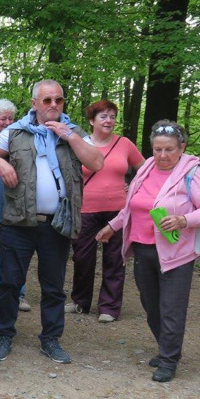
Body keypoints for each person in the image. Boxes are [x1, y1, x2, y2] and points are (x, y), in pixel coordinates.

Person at [0, 80, 103, 364]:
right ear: (34, 103)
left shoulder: (74, 132)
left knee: (53, 286)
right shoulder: (16, 131)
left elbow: (96, 162)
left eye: (58, 100)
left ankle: (50, 339)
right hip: (18, 221)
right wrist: (2, 164)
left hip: (57, 224)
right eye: (47, 100)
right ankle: (4, 335)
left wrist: (69, 136)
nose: (53, 105)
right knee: (10, 282)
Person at [96, 120, 200, 382]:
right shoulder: (146, 168)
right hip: (143, 248)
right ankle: (168, 348)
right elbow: (132, 206)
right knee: (151, 305)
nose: (162, 156)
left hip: (177, 252)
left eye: (169, 150)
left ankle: (168, 359)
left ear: (181, 148)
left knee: (171, 307)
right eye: (157, 149)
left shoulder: (191, 172)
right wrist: (113, 226)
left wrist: (184, 220)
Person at [67, 100, 144, 322]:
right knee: (82, 257)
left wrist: (135, 188)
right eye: (103, 116)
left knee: (115, 258)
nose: (108, 120)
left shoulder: (124, 143)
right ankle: (80, 302)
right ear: (92, 121)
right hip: (85, 209)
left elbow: (145, 168)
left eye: (112, 116)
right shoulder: (79, 143)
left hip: (118, 211)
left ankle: (109, 308)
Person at [0, 98, 30, 312]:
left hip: (14, 207)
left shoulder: (19, 141)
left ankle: (19, 294)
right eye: (2, 118)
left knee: (15, 255)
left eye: (10, 118)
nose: (7, 122)